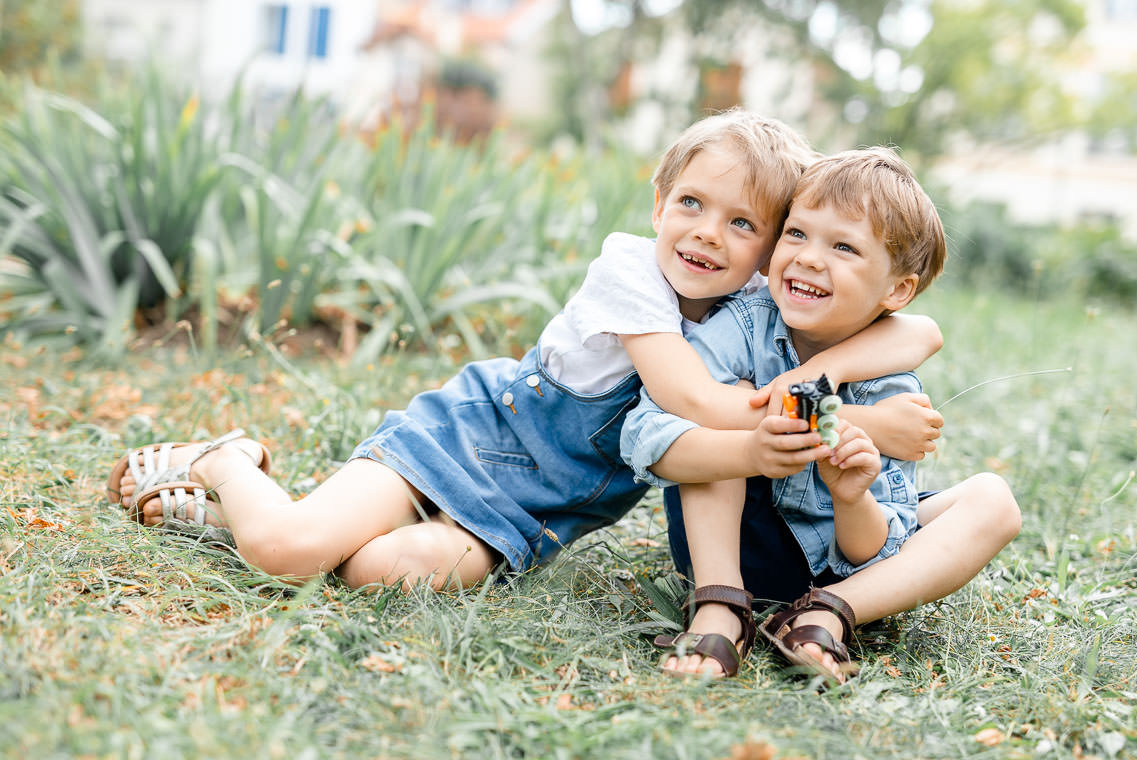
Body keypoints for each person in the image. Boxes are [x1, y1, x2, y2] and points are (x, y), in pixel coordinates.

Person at [104, 111, 943, 600]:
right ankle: (226, 461)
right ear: (658, 201)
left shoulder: (750, 305)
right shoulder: (631, 274)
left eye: (741, 224)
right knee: (287, 556)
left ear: (767, 250)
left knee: (387, 572)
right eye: (691, 202)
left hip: (537, 514)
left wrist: (829, 384)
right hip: (466, 439)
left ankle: (257, 517)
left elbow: (917, 332)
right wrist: (861, 418)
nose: (705, 233)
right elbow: (701, 403)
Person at [621, 148, 1021, 682]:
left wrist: (851, 496)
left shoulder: (889, 382)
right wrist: (792, 430)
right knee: (730, 401)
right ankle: (720, 604)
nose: (809, 258)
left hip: (841, 570)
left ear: (897, 290)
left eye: (844, 247)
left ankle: (826, 614)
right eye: (797, 234)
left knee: (995, 502)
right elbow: (651, 434)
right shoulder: (740, 327)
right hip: (737, 544)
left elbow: (872, 551)